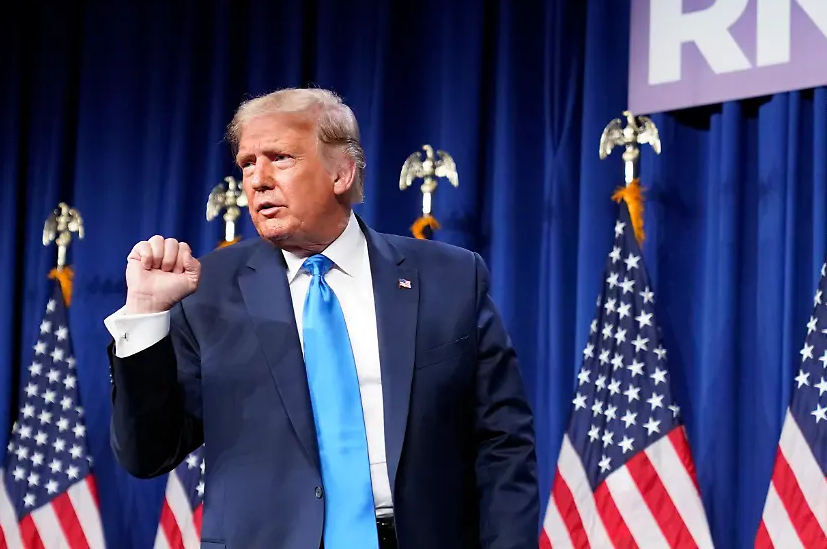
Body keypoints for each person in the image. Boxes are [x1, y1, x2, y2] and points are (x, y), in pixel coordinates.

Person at [104, 88, 539, 548]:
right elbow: (147, 454)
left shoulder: (450, 278)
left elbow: (503, 443)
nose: (257, 180)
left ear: (341, 172)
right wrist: (146, 315)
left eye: (280, 158)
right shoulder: (207, 291)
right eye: (247, 163)